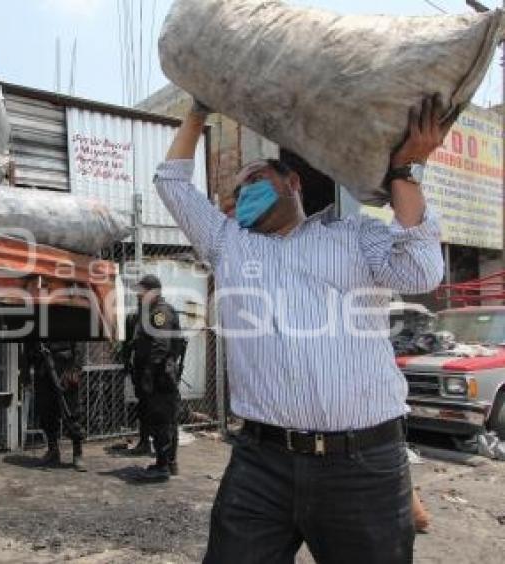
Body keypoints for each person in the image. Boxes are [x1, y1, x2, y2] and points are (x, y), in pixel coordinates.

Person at [155, 94, 448, 563]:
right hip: (261, 463)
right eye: (237, 187)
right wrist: (196, 113)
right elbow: (171, 183)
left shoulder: (351, 235)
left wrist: (407, 169)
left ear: (292, 182)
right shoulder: (229, 243)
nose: (243, 191)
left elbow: (420, 271)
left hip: (363, 465)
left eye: (256, 179)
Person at [130, 274, 183, 481]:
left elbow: (161, 346)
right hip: (157, 374)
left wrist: (149, 373)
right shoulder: (149, 312)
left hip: (160, 375)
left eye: (141, 291)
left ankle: (165, 467)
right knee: (161, 419)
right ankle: (166, 463)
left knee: (163, 419)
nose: (138, 295)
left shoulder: (161, 312)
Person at [28, 341, 87, 472]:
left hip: (65, 367)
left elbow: (79, 343)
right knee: (46, 411)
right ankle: (53, 450)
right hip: (43, 368)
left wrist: (76, 368)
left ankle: (77, 453)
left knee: (72, 412)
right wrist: (26, 369)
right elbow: (29, 343)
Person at [120, 310, 154, 457]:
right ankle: (145, 442)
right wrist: (126, 362)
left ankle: (164, 451)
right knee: (143, 406)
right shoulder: (133, 318)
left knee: (160, 409)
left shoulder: (157, 315)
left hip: (156, 371)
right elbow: (126, 343)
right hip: (140, 370)